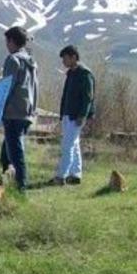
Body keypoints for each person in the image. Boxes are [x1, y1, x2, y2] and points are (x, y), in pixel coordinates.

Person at [0, 26, 39, 193]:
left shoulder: (13, 60)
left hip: (13, 111)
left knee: (15, 152)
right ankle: (5, 182)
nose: (6, 45)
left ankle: (20, 187)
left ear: (12, 41)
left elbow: (7, 86)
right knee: (7, 152)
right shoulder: (31, 62)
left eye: (7, 41)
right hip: (27, 110)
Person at [50, 45, 94, 186]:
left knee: (67, 145)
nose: (63, 61)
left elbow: (88, 97)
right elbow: (66, 95)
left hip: (77, 116)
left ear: (74, 57)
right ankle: (75, 174)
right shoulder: (70, 73)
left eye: (65, 58)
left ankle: (61, 175)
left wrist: (83, 115)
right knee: (74, 145)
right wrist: (62, 114)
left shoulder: (85, 74)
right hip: (68, 114)